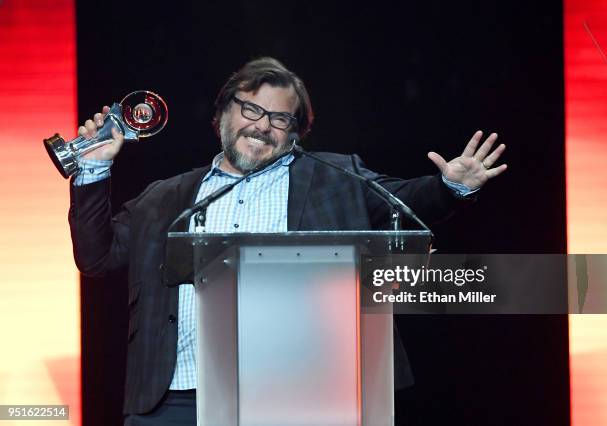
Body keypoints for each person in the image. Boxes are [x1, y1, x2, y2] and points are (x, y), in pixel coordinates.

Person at [69, 57, 507, 425]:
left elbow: (405, 199)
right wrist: (92, 171)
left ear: (295, 132)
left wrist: (449, 186)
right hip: (176, 398)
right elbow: (98, 256)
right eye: (251, 110)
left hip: (296, 396)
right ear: (222, 114)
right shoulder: (167, 197)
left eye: (280, 118)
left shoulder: (333, 178)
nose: (263, 127)